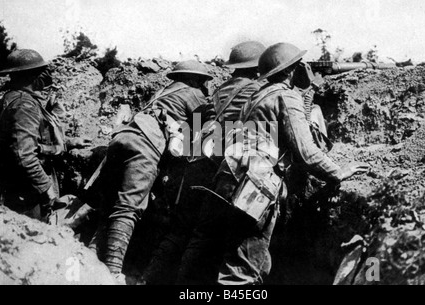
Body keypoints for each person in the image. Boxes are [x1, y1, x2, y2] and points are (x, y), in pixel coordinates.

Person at [177, 43, 369, 285]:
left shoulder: (257, 94)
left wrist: (306, 90)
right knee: (243, 269)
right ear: (290, 70)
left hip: (226, 177)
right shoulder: (285, 96)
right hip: (253, 185)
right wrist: (337, 172)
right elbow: (306, 151)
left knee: (204, 252)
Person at [144, 41, 267, 284]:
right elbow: (262, 131)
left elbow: (194, 129)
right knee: (221, 237)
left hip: (196, 163)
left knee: (183, 232)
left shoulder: (217, 92)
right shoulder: (258, 91)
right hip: (226, 167)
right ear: (257, 67)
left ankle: (150, 280)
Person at [89, 60, 212, 283]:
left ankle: (88, 262)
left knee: (109, 208)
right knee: (128, 207)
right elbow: (200, 132)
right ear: (196, 79)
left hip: (122, 138)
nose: (205, 87)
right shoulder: (194, 94)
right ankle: (111, 273)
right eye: (204, 82)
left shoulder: (163, 92)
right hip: (144, 144)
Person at [0, 49, 91, 222]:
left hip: (17, 188)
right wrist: (46, 189)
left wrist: (69, 143)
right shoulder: (24, 105)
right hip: (26, 194)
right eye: (41, 72)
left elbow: (28, 141)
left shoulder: (11, 98)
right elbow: (24, 155)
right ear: (32, 76)